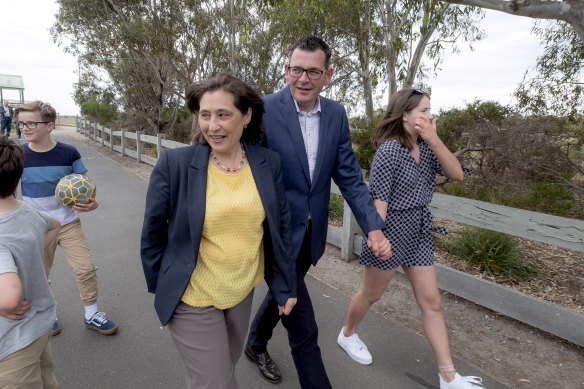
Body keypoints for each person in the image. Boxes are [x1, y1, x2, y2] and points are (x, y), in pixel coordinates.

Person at [245, 36, 391, 388]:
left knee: (284, 294)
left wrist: (372, 227)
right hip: (274, 234)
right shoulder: (263, 109)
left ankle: (254, 343)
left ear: (328, 75)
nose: (304, 78)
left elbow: (350, 177)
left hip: (311, 233)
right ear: (286, 70)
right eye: (297, 69)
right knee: (303, 325)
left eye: (313, 71)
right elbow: (244, 167)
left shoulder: (337, 115)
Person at [140, 73, 298, 389]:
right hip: (193, 294)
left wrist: (285, 286)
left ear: (247, 115)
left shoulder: (268, 163)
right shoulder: (176, 164)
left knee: (219, 370)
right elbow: (152, 233)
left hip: (242, 289)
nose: (213, 126)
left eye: (224, 114)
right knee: (217, 382)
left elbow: (279, 228)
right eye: (205, 115)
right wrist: (167, 284)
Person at [337, 88, 484, 389]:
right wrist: (376, 238)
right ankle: (348, 334)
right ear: (405, 115)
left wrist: (433, 137)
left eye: (431, 110)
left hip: (418, 230)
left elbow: (457, 174)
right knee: (371, 294)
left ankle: (448, 376)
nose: (431, 116)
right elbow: (379, 201)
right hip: (390, 230)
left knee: (431, 302)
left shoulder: (428, 147)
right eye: (424, 111)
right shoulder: (389, 152)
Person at [16, 101, 118, 336]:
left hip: (68, 223)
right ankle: (47, 315)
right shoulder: (19, 154)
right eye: (21, 123)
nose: (25, 127)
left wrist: (94, 203)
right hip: (37, 226)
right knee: (39, 275)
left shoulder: (69, 153)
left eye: (31, 122)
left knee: (85, 268)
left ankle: (92, 314)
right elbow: (9, 190)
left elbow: (85, 187)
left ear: (50, 125)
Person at [0, 135, 62, 389]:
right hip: (40, 324)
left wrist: (5, 306)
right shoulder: (25, 211)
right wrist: (32, 249)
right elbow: (55, 225)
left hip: (13, 342)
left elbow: (10, 298)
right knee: (47, 380)